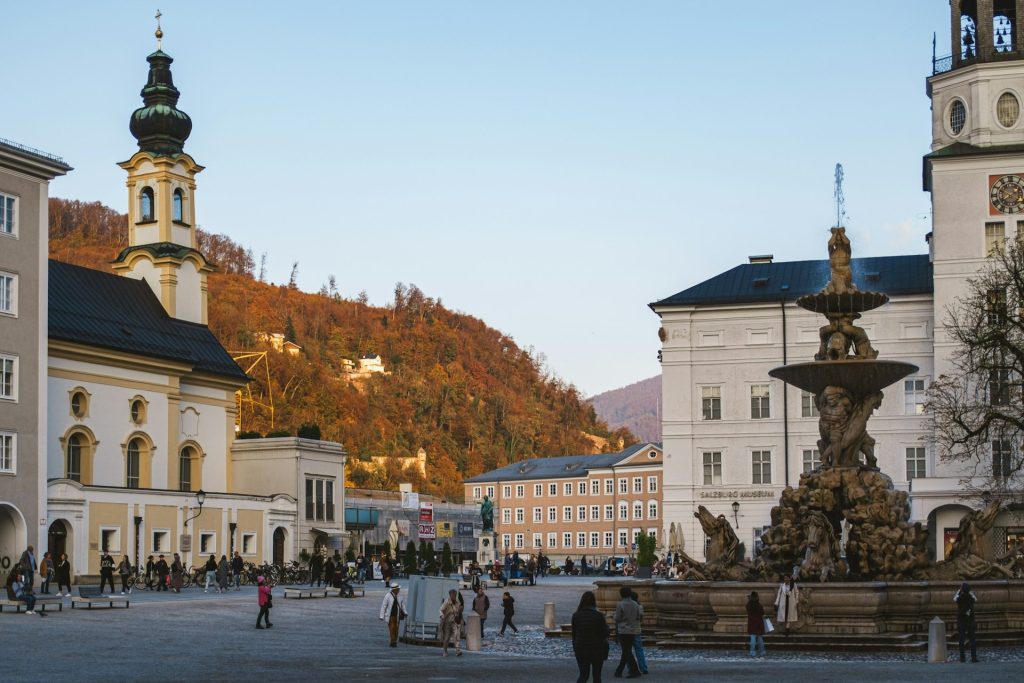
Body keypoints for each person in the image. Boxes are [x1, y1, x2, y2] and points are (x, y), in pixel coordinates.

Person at [572, 590, 609, 683]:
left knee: (583, 675)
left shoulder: (576, 615)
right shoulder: (598, 615)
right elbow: (604, 633)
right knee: (597, 676)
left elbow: (574, 633)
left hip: (581, 647)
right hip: (596, 647)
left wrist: (575, 647)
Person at [613, 585, 641, 678]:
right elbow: (638, 617)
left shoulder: (620, 604)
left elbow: (617, 618)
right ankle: (620, 671)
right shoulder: (635, 604)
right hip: (632, 630)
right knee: (626, 651)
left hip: (623, 630)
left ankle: (633, 670)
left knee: (626, 652)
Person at [955, 581, 978, 663]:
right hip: (970, 620)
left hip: (961, 621)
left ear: (962, 590)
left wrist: (958, 591)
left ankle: (962, 658)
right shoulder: (971, 598)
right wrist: (970, 592)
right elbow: (975, 599)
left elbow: (954, 598)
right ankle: (974, 658)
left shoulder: (959, 598)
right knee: (972, 640)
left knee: (961, 640)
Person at [438, 588, 464, 657]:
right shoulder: (447, 602)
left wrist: (460, 611)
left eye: (455, 595)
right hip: (447, 622)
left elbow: (459, 611)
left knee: (456, 635)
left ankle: (458, 650)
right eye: (452, 595)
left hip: (455, 622)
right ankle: (445, 651)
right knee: (446, 638)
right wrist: (442, 615)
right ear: (450, 595)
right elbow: (440, 610)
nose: (454, 597)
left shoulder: (457, 601)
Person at [630, 591, 649, 675]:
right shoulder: (639, 606)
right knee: (639, 650)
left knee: (628, 650)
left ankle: (630, 667)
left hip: (627, 631)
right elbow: (641, 618)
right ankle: (643, 668)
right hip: (637, 629)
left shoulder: (625, 605)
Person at [746, 590, 766, 658]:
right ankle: (762, 651)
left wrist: (749, 600)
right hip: (759, 623)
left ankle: (752, 652)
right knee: (760, 638)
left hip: (752, 623)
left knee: (753, 638)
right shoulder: (759, 605)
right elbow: (763, 613)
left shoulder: (749, 605)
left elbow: (747, 608)